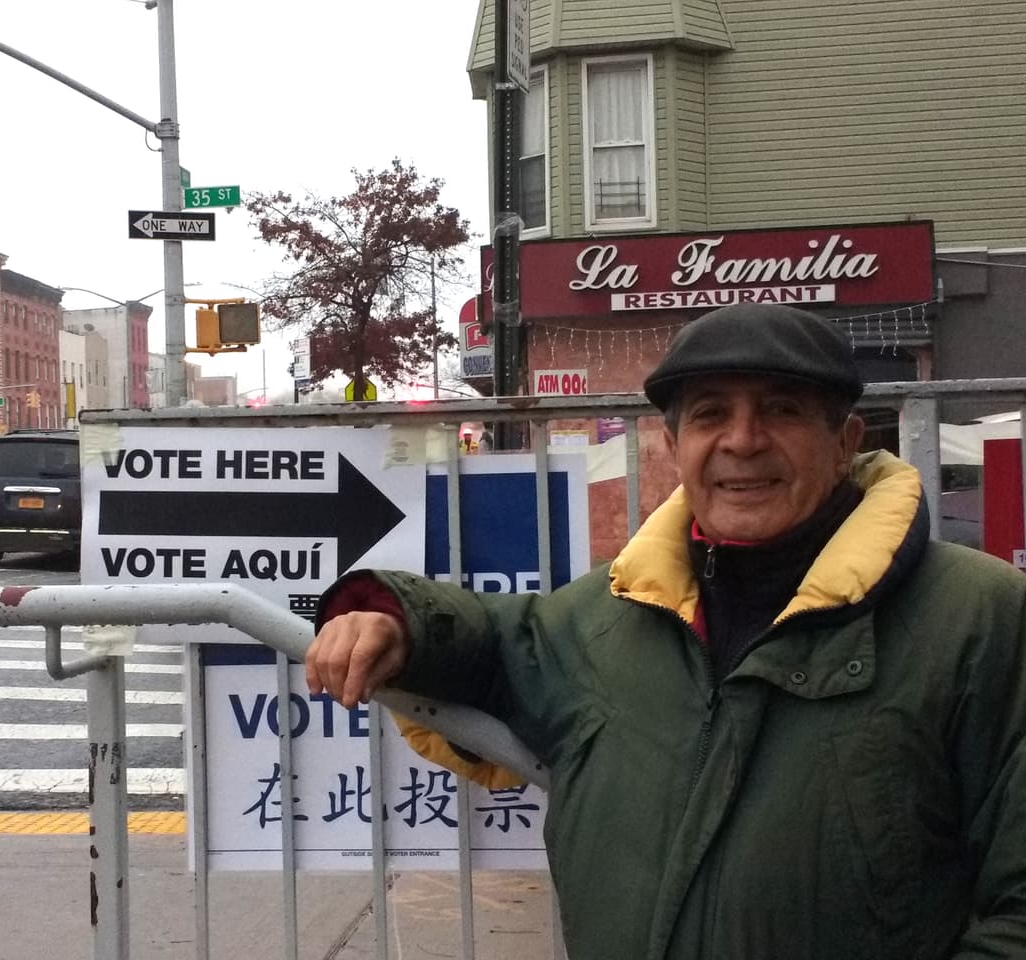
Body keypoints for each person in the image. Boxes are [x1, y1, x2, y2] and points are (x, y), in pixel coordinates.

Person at [306, 303, 1026, 959]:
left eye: (781, 410)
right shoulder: (606, 614)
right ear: (674, 447)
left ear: (844, 443)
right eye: (711, 415)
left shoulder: (980, 617)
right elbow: (493, 641)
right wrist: (393, 619)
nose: (743, 441)